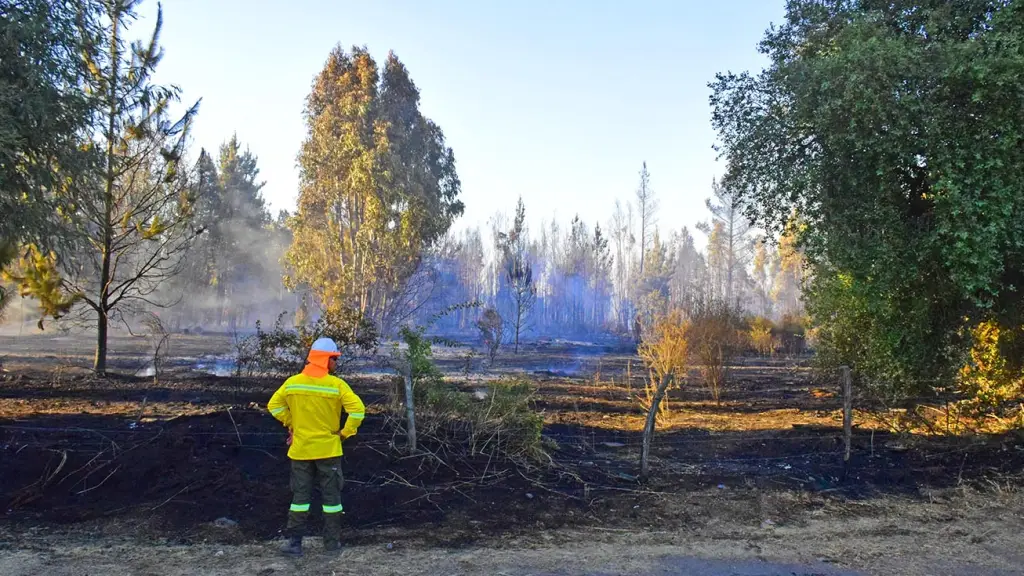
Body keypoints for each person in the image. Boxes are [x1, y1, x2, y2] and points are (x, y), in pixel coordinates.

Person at [267, 337, 365, 556]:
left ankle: (294, 544)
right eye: (335, 359)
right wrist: (345, 433)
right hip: (329, 451)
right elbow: (358, 411)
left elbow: (274, 406)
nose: (336, 363)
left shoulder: (292, 383)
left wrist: (292, 424)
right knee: (332, 500)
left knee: (300, 499)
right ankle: (332, 545)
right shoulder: (336, 385)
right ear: (326, 360)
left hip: (300, 451)